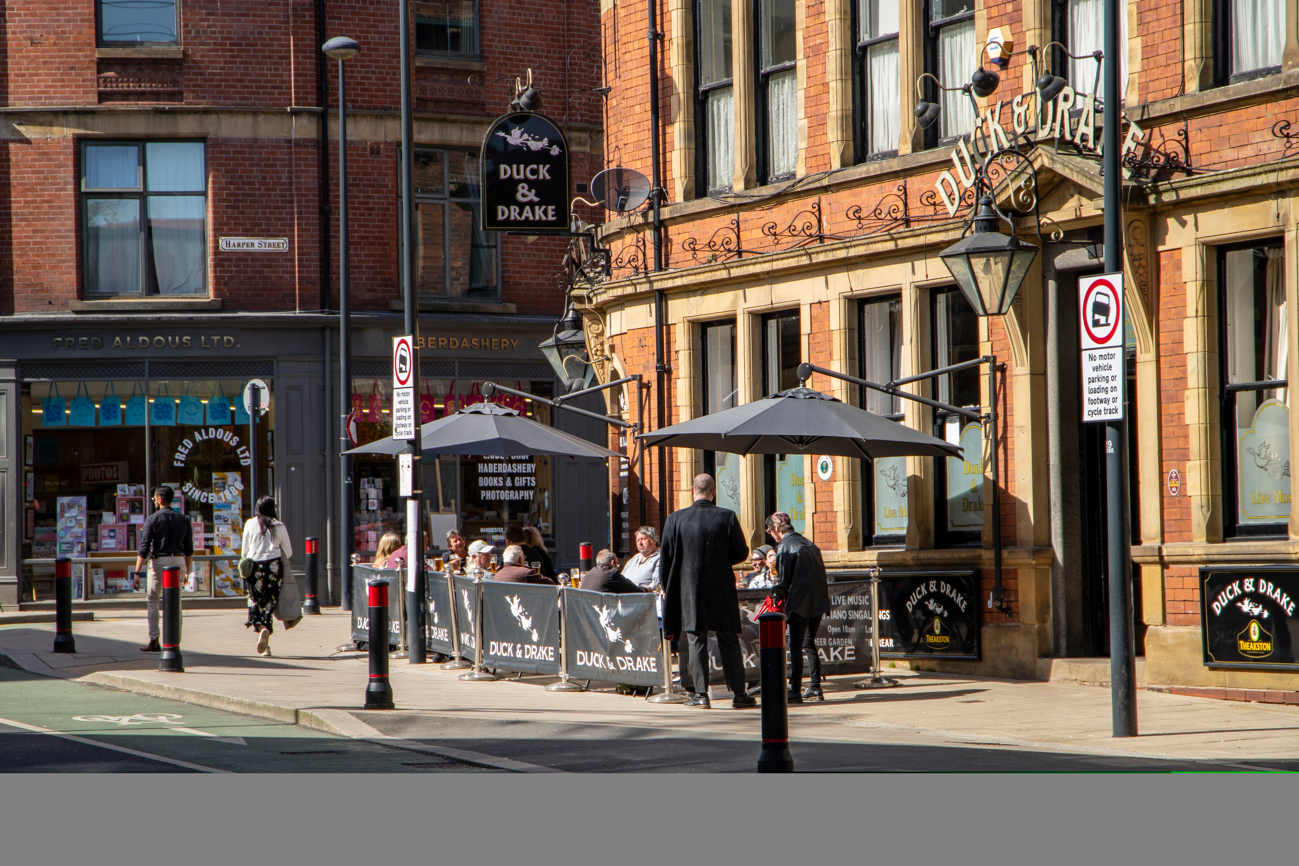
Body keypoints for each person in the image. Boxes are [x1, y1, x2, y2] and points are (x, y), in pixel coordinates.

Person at [660, 473, 756, 710]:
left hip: (688, 589)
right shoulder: (727, 516)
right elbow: (742, 553)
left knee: (696, 640)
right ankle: (739, 694)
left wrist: (667, 588)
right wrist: (721, 561)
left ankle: (701, 695)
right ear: (713, 492)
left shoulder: (675, 519)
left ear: (693, 490)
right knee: (729, 640)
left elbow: (666, 560)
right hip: (721, 587)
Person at [767, 513, 830, 703]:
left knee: (795, 646)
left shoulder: (785, 547)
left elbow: (783, 581)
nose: (771, 535)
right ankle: (815, 687)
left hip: (799, 602)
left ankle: (795, 691)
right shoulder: (809, 543)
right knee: (809, 644)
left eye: (770, 531)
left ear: (777, 528)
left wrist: (773, 592)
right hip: (818, 601)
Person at [133, 486, 194, 652]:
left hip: (160, 560)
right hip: (180, 560)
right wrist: (187, 571)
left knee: (153, 599)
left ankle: (154, 639)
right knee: (176, 601)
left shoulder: (152, 519)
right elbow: (189, 548)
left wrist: (137, 572)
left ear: (159, 499)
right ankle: (174, 641)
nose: (153, 500)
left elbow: (144, 547)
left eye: (154, 498)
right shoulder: (184, 519)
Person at [241, 496, 296, 657]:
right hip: (274, 566)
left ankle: (261, 628)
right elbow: (289, 552)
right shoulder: (278, 525)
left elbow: (244, 551)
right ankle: (266, 644)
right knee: (269, 602)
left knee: (254, 600)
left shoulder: (250, 523)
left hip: (255, 565)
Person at [580, 549, 649, 593]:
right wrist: (646, 589)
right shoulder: (611, 573)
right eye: (617, 564)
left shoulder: (587, 575)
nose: (617, 567)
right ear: (612, 563)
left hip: (588, 615)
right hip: (607, 614)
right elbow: (635, 591)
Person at [494, 545, 558, 584]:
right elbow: (550, 584)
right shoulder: (526, 573)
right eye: (523, 557)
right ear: (520, 559)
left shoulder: (496, 577)